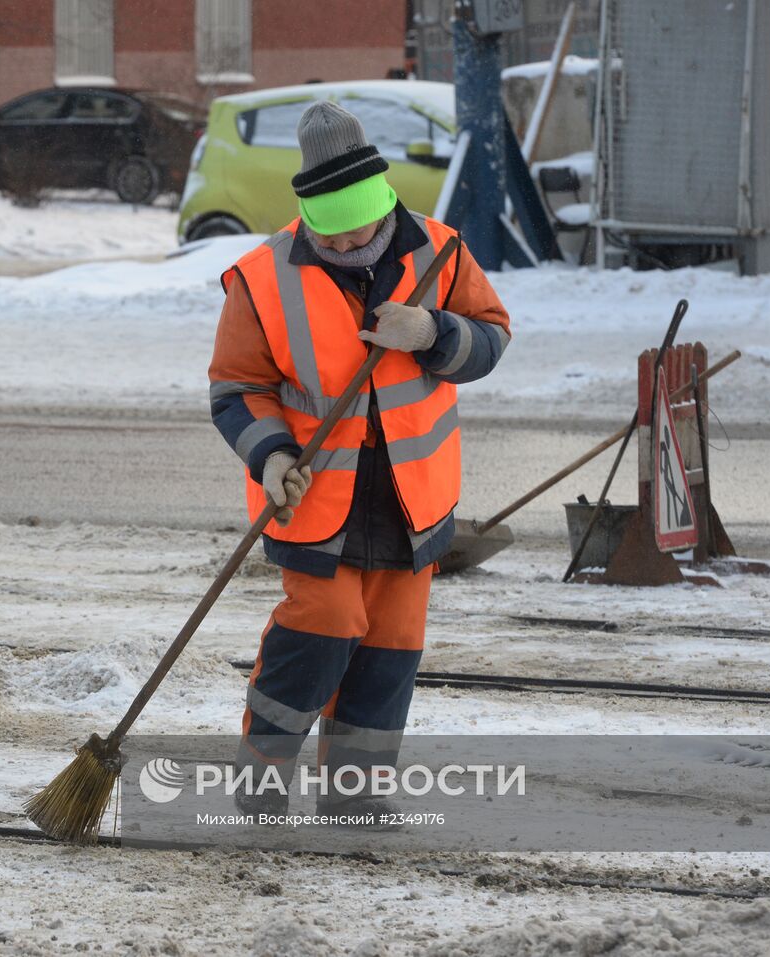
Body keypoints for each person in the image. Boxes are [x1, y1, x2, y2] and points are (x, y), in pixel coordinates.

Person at [208, 102, 511, 814]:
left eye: (360, 225)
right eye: (331, 230)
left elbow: (492, 338)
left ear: (384, 200)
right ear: (307, 214)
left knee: (391, 648)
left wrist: (433, 331)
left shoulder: (441, 250)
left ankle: (356, 794)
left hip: (413, 500)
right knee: (320, 630)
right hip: (315, 501)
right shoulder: (262, 277)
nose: (348, 241)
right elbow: (236, 389)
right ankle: (260, 775)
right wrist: (272, 456)